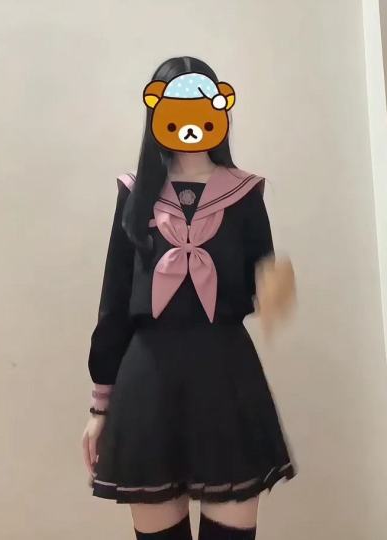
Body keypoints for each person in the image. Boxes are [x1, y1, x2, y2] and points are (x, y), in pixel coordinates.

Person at [81, 56, 297, 540]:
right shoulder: (134, 193)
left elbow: (263, 281)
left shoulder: (245, 193)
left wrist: (275, 289)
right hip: (147, 380)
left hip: (226, 376)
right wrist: (100, 407)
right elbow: (114, 302)